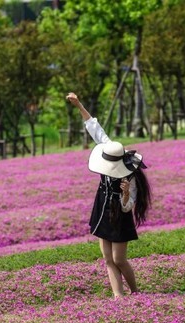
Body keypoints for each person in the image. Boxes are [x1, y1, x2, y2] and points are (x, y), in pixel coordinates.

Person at [66, 92, 152, 298]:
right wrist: (78, 104)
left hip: (119, 215)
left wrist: (123, 194)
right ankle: (118, 297)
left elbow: (128, 205)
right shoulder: (109, 147)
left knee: (119, 259)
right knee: (107, 259)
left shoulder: (129, 176)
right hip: (102, 209)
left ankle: (135, 292)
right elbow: (94, 127)